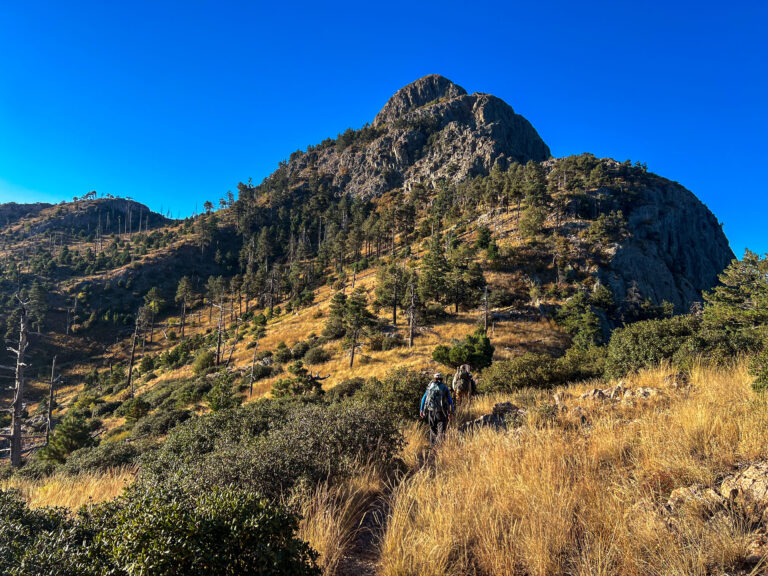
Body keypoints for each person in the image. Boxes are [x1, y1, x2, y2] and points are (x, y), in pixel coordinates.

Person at [420, 372, 454, 445]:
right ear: (441, 379)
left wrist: (421, 410)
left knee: (432, 430)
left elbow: (423, 399)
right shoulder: (444, 387)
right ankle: (439, 447)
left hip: (431, 412)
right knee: (441, 431)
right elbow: (450, 401)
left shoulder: (430, 387)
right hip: (441, 412)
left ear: (434, 379)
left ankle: (432, 447)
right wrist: (452, 412)